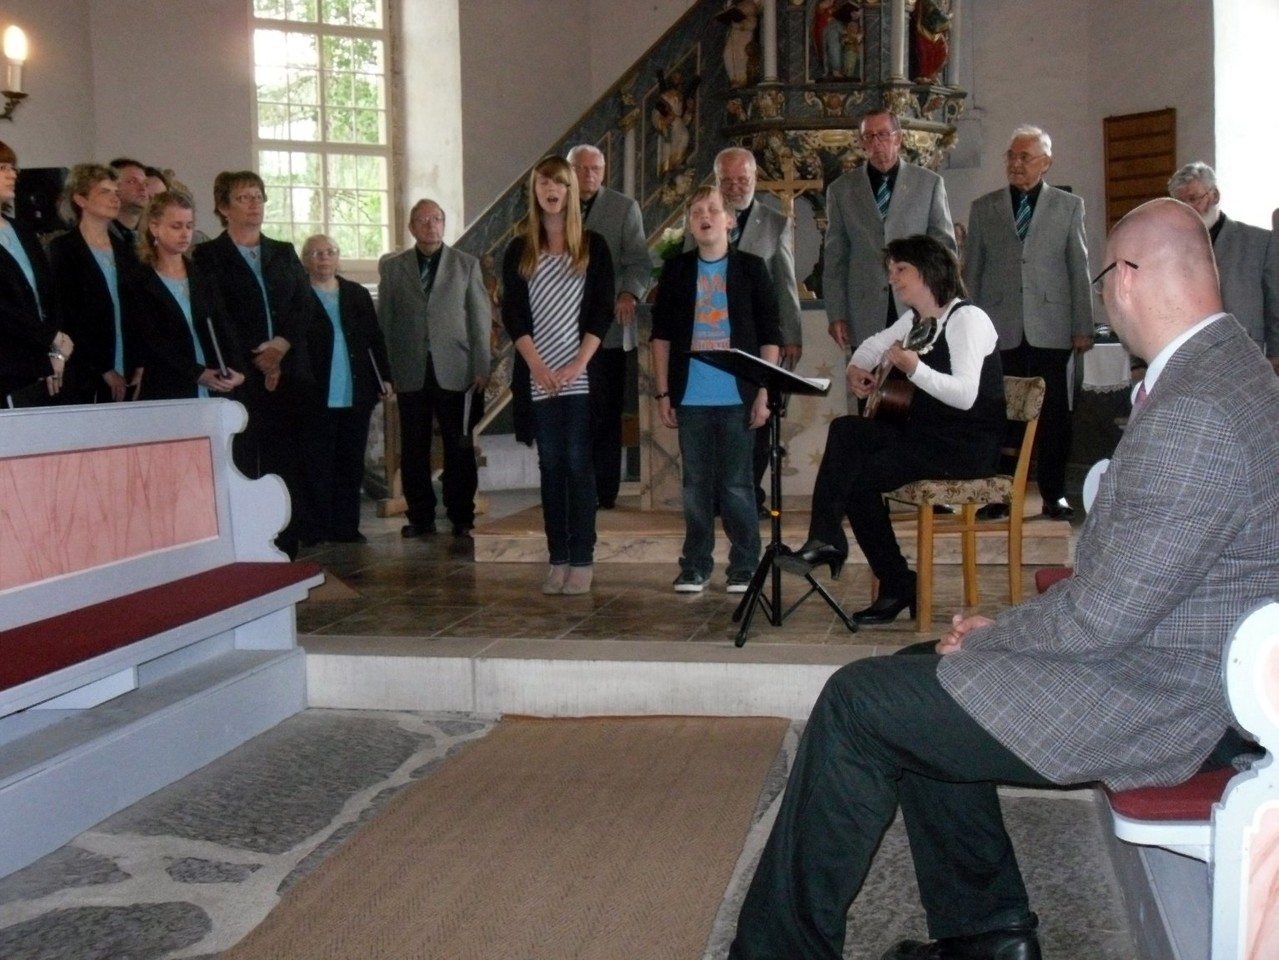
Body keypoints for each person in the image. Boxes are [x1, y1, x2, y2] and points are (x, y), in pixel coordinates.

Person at [727, 197, 1279, 960]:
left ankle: (777, 952)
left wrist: (999, 631)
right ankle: (987, 934)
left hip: (1161, 698)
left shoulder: (1197, 409)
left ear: (1123, 279)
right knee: (914, 680)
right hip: (1169, 663)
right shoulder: (1230, 368)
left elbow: (1104, 618)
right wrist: (998, 634)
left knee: (859, 703)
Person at [783, 235, 1004, 624]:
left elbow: (966, 396)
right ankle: (827, 537)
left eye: (901, 270)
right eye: (891, 271)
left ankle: (895, 582)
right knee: (847, 430)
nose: (893, 279)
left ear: (930, 271)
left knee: (857, 478)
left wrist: (913, 368)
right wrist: (856, 368)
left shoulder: (967, 319)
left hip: (964, 444)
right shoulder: (916, 320)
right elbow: (872, 346)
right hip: (925, 435)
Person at [651, 186, 781, 594]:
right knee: (695, 487)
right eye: (696, 212)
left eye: (713, 210)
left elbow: (769, 336)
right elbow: (661, 338)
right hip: (691, 396)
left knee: (737, 486)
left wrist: (764, 392)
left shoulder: (752, 268)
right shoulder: (676, 271)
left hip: (737, 395)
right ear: (691, 224)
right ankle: (695, 565)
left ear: (730, 220)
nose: (705, 216)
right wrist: (662, 393)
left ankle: (744, 566)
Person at [964, 125, 1092, 521]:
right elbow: (974, 272)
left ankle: (1054, 494)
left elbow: (1078, 267)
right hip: (1000, 329)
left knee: (1053, 415)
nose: (1015, 164)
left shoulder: (1069, 207)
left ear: (1045, 163)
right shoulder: (985, 207)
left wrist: (1083, 326)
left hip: (1051, 327)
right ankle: (999, 493)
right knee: (1002, 414)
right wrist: (972, 327)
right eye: (1011, 156)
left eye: (1025, 157)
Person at [501, 155, 614, 596]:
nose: (551, 189)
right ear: (535, 191)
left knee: (577, 464)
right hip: (539, 374)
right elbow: (513, 314)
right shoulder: (519, 249)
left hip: (581, 374)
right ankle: (558, 558)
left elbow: (602, 310)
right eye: (543, 182)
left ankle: (583, 558)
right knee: (550, 467)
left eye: (559, 183)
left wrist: (576, 365)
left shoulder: (593, 245)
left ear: (571, 191)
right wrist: (538, 366)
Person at [194, 170, 315, 558]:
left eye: (259, 197)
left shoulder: (282, 250)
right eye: (244, 198)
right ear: (223, 208)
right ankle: (247, 543)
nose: (254, 205)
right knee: (244, 457)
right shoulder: (209, 256)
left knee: (288, 458)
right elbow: (215, 315)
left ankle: (287, 542)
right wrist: (254, 360)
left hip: (289, 369)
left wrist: (279, 348)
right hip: (241, 373)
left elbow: (302, 305)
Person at [377, 199, 490, 538]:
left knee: (459, 444)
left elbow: (479, 319)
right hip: (410, 369)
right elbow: (386, 322)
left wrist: (481, 365)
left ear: (444, 224)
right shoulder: (394, 268)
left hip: (456, 368)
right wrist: (385, 370)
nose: (431, 225)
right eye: (423, 220)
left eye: (437, 219)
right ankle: (421, 516)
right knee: (413, 447)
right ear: (411, 227)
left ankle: (461, 515)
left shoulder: (465, 264)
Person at [712, 146, 803, 518]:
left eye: (742, 180)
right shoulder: (704, 216)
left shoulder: (775, 222)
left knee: (758, 417)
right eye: (727, 181)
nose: (735, 187)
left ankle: (750, 494)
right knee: (717, 418)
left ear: (755, 180)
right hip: (713, 334)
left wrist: (791, 334)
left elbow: (786, 284)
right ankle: (719, 496)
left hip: (759, 338)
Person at [823, 109, 955, 352]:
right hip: (865, 308)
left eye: (883, 134)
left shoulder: (929, 183)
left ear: (898, 138)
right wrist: (836, 314)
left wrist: (940, 300)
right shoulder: (841, 190)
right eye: (869, 136)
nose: (877, 142)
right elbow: (835, 259)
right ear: (861, 142)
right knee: (868, 384)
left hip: (917, 306)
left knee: (917, 384)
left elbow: (944, 247)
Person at [568, 144, 651, 510]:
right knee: (570, 412)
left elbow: (638, 262)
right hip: (562, 329)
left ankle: (604, 491)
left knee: (605, 412)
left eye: (595, 168)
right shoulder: (553, 205)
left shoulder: (623, 208)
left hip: (608, 330)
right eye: (581, 168)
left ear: (605, 171)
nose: (588, 174)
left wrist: (628, 293)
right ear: (569, 171)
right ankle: (571, 483)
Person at [297, 234, 393, 546]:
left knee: (351, 463)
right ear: (305, 260)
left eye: (329, 252)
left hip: (356, 391)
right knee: (316, 464)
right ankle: (316, 528)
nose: (323, 258)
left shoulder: (355, 294)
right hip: (315, 394)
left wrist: (384, 378)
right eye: (316, 253)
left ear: (338, 258)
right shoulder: (297, 294)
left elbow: (375, 339)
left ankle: (346, 527)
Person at [130, 191, 244, 401]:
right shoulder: (139, 279)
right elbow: (149, 339)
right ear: (154, 227)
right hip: (168, 386)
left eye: (189, 226)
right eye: (176, 226)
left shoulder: (202, 275)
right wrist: (197, 373)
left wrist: (237, 370)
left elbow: (223, 325)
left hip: (213, 382)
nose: (185, 234)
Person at [1168, 161, 1279, 373]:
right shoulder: (1171, 248)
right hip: (1192, 357)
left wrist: (1276, 352)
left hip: (1248, 354)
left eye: (1194, 199)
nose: (1188, 209)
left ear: (1215, 195)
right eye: (1180, 203)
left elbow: (1276, 302)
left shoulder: (1260, 241)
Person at [49, 163, 144, 404]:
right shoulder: (65, 249)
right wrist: (103, 367)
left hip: (129, 361)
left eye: (115, 191)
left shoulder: (126, 250)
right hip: (86, 368)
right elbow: (70, 315)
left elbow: (139, 310)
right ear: (81, 199)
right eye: (104, 192)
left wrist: (141, 363)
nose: (114, 198)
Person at [0, 139, 71, 407]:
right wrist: (51, 338)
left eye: (13, 167)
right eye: (3, 167)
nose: (13, 174)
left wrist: (56, 350)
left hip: (40, 361)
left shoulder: (21, 230)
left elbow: (48, 294)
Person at [108, 157, 150, 248]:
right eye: (132, 182)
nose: (143, 188)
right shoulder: (95, 237)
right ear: (113, 187)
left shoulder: (152, 242)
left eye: (146, 184)